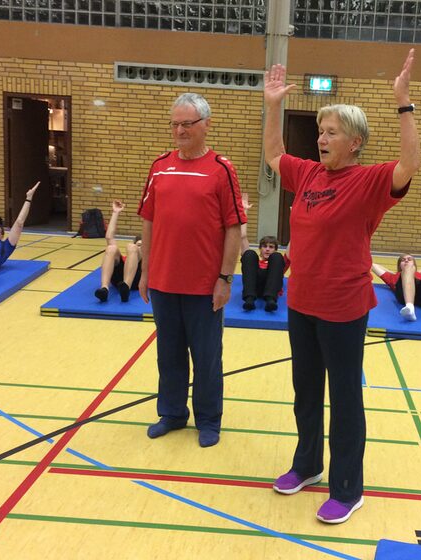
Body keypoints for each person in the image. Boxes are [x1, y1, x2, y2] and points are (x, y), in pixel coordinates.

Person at [263, 48, 420, 524]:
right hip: (302, 301)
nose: (321, 138)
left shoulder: (370, 181)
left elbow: (410, 163)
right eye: (320, 131)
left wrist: (404, 102)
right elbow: (273, 154)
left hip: (344, 307)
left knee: (344, 398)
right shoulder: (308, 173)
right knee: (305, 391)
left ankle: (348, 488)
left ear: (355, 142)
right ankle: (307, 465)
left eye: (331, 133)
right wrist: (273, 105)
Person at [138, 92, 246, 448]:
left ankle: (209, 420)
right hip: (165, 283)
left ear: (206, 125)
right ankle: (171, 412)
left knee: (207, 358)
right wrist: (145, 273)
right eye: (175, 124)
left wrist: (225, 278)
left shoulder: (221, 169)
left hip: (204, 286)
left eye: (187, 123)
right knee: (168, 354)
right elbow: (149, 221)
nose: (180, 130)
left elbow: (234, 227)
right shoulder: (159, 166)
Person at [239, 194, 286, 312]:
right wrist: (244, 210)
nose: (268, 249)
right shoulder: (254, 262)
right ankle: (249, 298)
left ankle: (270, 299)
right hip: (254, 288)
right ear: (260, 249)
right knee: (248, 254)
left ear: (275, 249)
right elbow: (242, 236)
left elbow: (294, 241)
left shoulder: (277, 261)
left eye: (271, 247)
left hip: (271, 289)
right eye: (265, 246)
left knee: (277, 258)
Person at [371, 256, 421, 323]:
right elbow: (373, 265)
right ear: (399, 266)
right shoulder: (393, 277)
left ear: (414, 265)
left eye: (409, 259)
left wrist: (416, 271)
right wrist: (394, 272)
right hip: (403, 297)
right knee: (408, 268)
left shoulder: (420, 274)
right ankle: (410, 309)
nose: (406, 260)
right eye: (403, 260)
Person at [94, 200, 142, 303]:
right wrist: (115, 212)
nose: (139, 248)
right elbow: (109, 237)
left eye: (142, 246)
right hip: (118, 280)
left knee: (131, 247)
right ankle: (104, 289)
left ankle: (126, 288)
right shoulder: (127, 256)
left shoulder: (149, 257)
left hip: (137, 280)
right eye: (138, 245)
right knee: (111, 248)